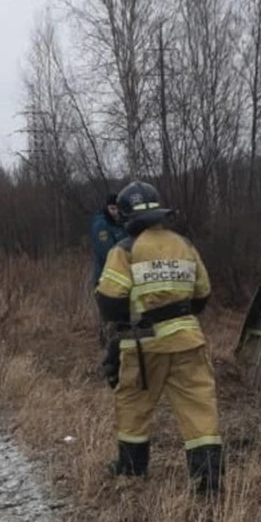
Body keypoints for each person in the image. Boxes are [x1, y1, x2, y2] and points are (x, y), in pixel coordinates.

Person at [95, 180, 223, 494]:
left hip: (144, 344)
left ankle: (132, 467)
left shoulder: (124, 250)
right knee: (199, 407)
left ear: (125, 217)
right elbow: (202, 294)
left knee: (133, 404)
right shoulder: (185, 244)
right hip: (187, 340)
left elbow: (110, 302)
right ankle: (207, 479)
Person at [90, 192, 127, 348]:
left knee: (120, 317)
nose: (115, 212)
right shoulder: (101, 225)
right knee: (107, 316)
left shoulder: (121, 224)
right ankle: (106, 347)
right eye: (112, 208)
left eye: (117, 209)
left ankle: (116, 345)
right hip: (104, 277)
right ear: (107, 208)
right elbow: (107, 253)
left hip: (122, 277)